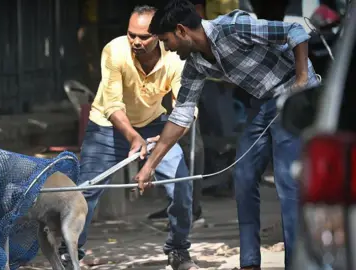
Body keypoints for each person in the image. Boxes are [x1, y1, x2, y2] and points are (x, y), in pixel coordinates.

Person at [133, 0, 320, 269]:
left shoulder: (233, 27)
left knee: (286, 183)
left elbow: (295, 31)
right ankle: (249, 262)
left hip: (293, 99)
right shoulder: (195, 65)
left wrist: (301, 78)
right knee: (243, 177)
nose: (168, 49)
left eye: (166, 40)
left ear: (182, 30)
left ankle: (296, 263)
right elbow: (181, 115)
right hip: (262, 104)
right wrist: (150, 165)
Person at [59, 5, 199, 270]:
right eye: (130, 34)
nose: (135, 41)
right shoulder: (115, 50)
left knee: (181, 186)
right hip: (107, 127)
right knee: (86, 191)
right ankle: (69, 252)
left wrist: (165, 137)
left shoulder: (177, 57)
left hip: (155, 126)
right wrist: (134, 138)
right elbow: (112, 105)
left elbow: (185, 108)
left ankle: (178, 250)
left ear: (158, 35)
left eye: (143, 36)